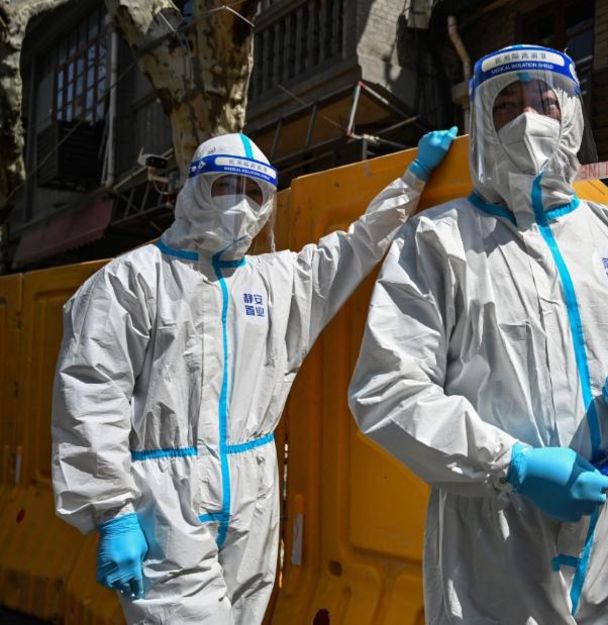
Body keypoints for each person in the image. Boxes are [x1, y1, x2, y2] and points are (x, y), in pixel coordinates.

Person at [347, 44, 608, 624]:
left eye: (547, 101)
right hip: (494, 530)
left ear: (572, 115)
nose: (530, 119)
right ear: (482, 125)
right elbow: (387, 391)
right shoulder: (436, 243)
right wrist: (512, 465)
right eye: (508, 106)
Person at [52, 127, 457, 624]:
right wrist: (112, 511)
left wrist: (412, 178)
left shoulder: (276, 281)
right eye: (226, 185)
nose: (240, 203)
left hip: (254, 494)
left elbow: (356, 245)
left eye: (254, 191)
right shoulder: (130, 281)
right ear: (196, 188)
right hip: (164, 503)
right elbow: (91, 395)